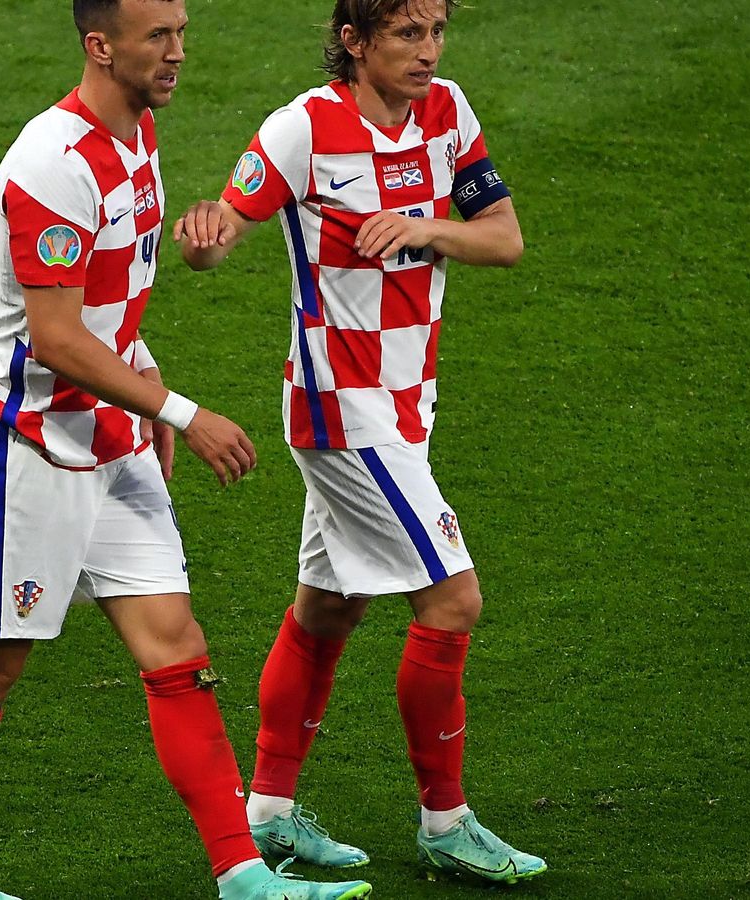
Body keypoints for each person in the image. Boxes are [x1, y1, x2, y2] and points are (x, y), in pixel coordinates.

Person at [0, 2, 375, 898]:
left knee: (174, 646)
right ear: (99, 44)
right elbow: (58, 338)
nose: (178, 53)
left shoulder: (138, 136)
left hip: (108, 438)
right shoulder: (52, 165)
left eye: (182, 33)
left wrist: (142, 382)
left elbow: (111, 312)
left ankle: (242, 876)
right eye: (158, 36)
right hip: (23, 451)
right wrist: (183, 411)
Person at [172, 0, 545, 886]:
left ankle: (265, 813)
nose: (428, 53)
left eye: (437, 32)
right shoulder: (304, 128)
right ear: (354, 40)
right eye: (406, 35)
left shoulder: (449, 113)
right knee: (453, 602)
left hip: (409, 405)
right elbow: (224, 229)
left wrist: (426, 228)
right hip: (342, 409)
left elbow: (504, 240)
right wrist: (203, 241)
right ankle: (445, 821)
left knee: (328, 609)